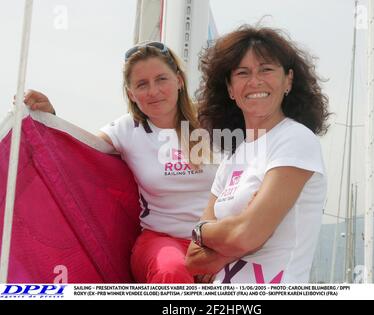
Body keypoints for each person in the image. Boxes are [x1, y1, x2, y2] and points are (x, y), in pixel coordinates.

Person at [23, 41, 218, 283]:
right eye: (142, 84)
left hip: (219, 239)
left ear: (178, 81)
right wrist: (49, 118)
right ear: (131, 94)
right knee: (173, 272)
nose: (154, 91)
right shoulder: (126, 129)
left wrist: (221, 251)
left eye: (161, 79)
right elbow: (76, 150)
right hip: (162, 242)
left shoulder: (214, 122)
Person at [185, 25, 330, 283]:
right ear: (230, 89)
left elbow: (246, 236)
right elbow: (193, 260)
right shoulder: (232, 158)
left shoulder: (295, 139)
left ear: (288, 80)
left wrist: (208, 233)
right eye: (242, 73)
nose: (255, 81)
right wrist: (232, 234)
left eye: (266, 69)